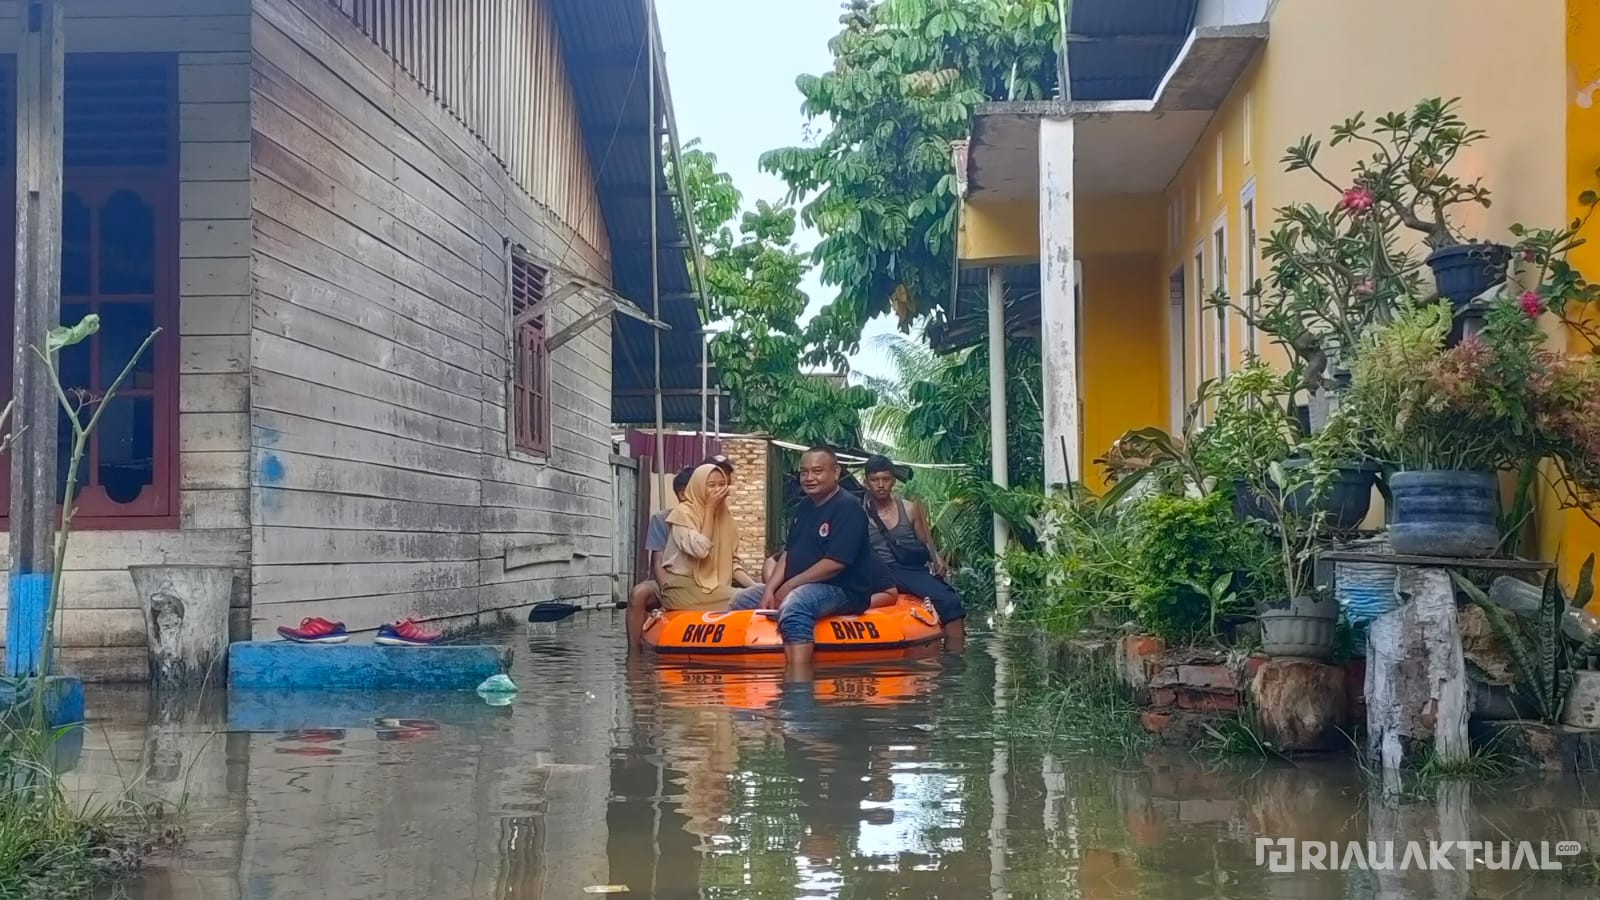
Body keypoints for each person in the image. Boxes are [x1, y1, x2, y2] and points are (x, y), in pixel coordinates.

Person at [732, 446, 878, 679]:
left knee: (796, 603)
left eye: (817, 471)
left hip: (843, 590)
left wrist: (790, 586)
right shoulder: (804, 508)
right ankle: (749, 674)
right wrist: (770, 589)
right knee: (742, 599)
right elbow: (788, 554)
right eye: (804, 472)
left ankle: (797, 685)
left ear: (836, 472)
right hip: (801, 584)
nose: (809, 478)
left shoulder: (848, 508)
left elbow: (836, 562)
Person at [861, 454, 966, 650]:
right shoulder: (857, 513)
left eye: (885, 479)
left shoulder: (910, 509)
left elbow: (925, 542)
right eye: (875, 480)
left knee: (950, 601)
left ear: (893, 480)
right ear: (866, 482)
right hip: (877, 572)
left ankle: (955, 657)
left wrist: (937, 559)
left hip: (909, 570)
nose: (881, 485)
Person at [659, 463, 765, 610]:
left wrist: (755, 586)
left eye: (722, 484)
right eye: (711, 485)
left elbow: (732, 563)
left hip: (716, 588)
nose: (718, 490)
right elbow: (700, 550)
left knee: (759, 594)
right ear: (698, 487)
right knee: (746, 599)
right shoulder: (683, 513)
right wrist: (709, 509)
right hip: (684, 589)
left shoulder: (725, 516)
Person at [626, 465, 696, 649]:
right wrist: (669, 594)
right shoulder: (661, 519)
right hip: (667, 581)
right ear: (682, 495)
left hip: (700, 581)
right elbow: (657, 564)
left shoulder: (713, 519)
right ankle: (633, 653)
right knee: (638, 593)